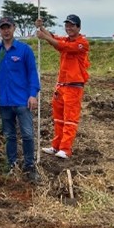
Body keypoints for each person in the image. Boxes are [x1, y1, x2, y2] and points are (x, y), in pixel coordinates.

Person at [0, 17, 41, 182]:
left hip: (22, 100)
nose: (6, 31)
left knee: (27, 134)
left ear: (14, 28)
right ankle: (11, 164)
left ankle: (29, 165)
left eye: (8, 27)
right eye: (2, 28)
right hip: (4, 101)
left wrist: (33, 94)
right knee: (9, 135)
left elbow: (33, 73)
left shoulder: (24, 50)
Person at [35, 14, 90, 158]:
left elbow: (61, 45)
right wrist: (41, 27)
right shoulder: (65, 39)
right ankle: (56, 146)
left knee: (70, 119)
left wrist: (44, 36)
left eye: (72, 25)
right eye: (67, 25)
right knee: (58, 118)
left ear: (78, 27)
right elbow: (54, 38)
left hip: (74, 86)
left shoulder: (81, 43)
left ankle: (66, 149)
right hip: (61, 85)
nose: (69, 28)